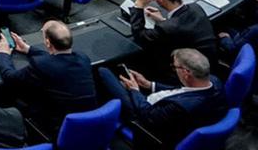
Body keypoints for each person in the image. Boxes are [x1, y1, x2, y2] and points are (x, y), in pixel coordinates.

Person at [97, 48, 226, 148]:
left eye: (175, 66)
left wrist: (134, 90)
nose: (174, 69)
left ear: (186, 73)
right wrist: (149, 84)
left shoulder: (182, 107)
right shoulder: (213, 81)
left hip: (143, 119)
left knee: (103, 71)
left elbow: (148, 115)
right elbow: (178, 90)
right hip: (158, 106)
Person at [0, 21, 97, 134]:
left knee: (8, 94)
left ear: (48, 43)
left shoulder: (41, 65)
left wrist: (3, 54)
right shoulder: (83, 58)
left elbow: (10, 78)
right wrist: (27, 49)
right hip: (89, 120)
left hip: (58, 126)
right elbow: (57, 58)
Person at [128, 0, 219, 78]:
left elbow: (140, 36)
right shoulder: (196, 8)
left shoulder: (168, 28)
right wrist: (163, 21)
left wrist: (139, 5)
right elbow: (182, 31)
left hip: (191, 75)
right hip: (210, 66)